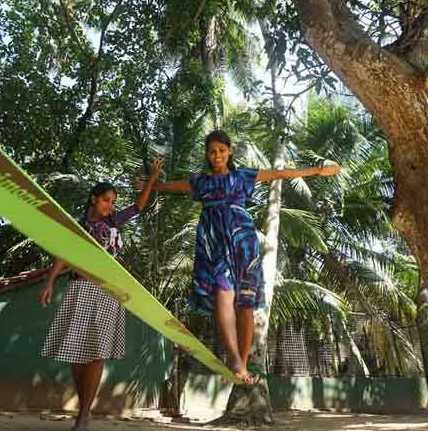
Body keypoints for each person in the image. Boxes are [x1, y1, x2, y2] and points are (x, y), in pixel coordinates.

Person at [145, 131, 340, 383]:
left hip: (243, 244)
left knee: (246, 304)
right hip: (213, 245)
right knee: (222, 293)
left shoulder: (242, 176)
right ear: (207, 154)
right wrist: (149, 184)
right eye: (212, 151)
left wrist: (316, 171)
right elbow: (169, 187)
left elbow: (279, 174)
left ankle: (242, 365)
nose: (217, 155)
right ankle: (234, 359)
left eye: (221, 150)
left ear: (230, 151)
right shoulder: (200, 183)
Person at [38, 158, 163, 431]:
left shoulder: (113, 221)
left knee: (95, 353)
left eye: (113, 201)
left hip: (107, 292)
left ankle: (83, 414)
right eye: (106, 200)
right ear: (94, 199)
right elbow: (63, 253)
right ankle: (84, 408)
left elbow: (139, 207)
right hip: (80, 288)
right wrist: (48, 283)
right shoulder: (78, 224)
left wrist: (152, 178)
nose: (110, 205)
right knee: (75, 354)